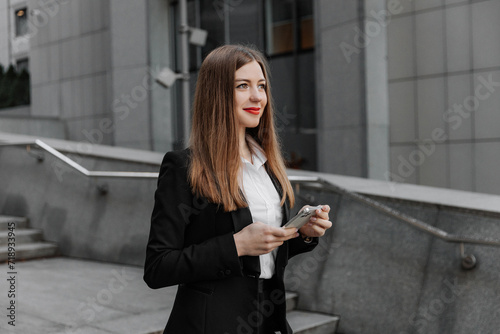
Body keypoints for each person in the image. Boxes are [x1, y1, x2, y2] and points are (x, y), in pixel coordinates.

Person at [143, 44, 332, 334]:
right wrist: (236, 245)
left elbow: (265, 256)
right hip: (211, 324)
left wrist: (301, 234)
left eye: (262, 86)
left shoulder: (268, 165)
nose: (258, 97)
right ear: (216, 94)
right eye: (242, 86)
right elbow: (158, 267)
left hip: (268, 319)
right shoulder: (184, 167)